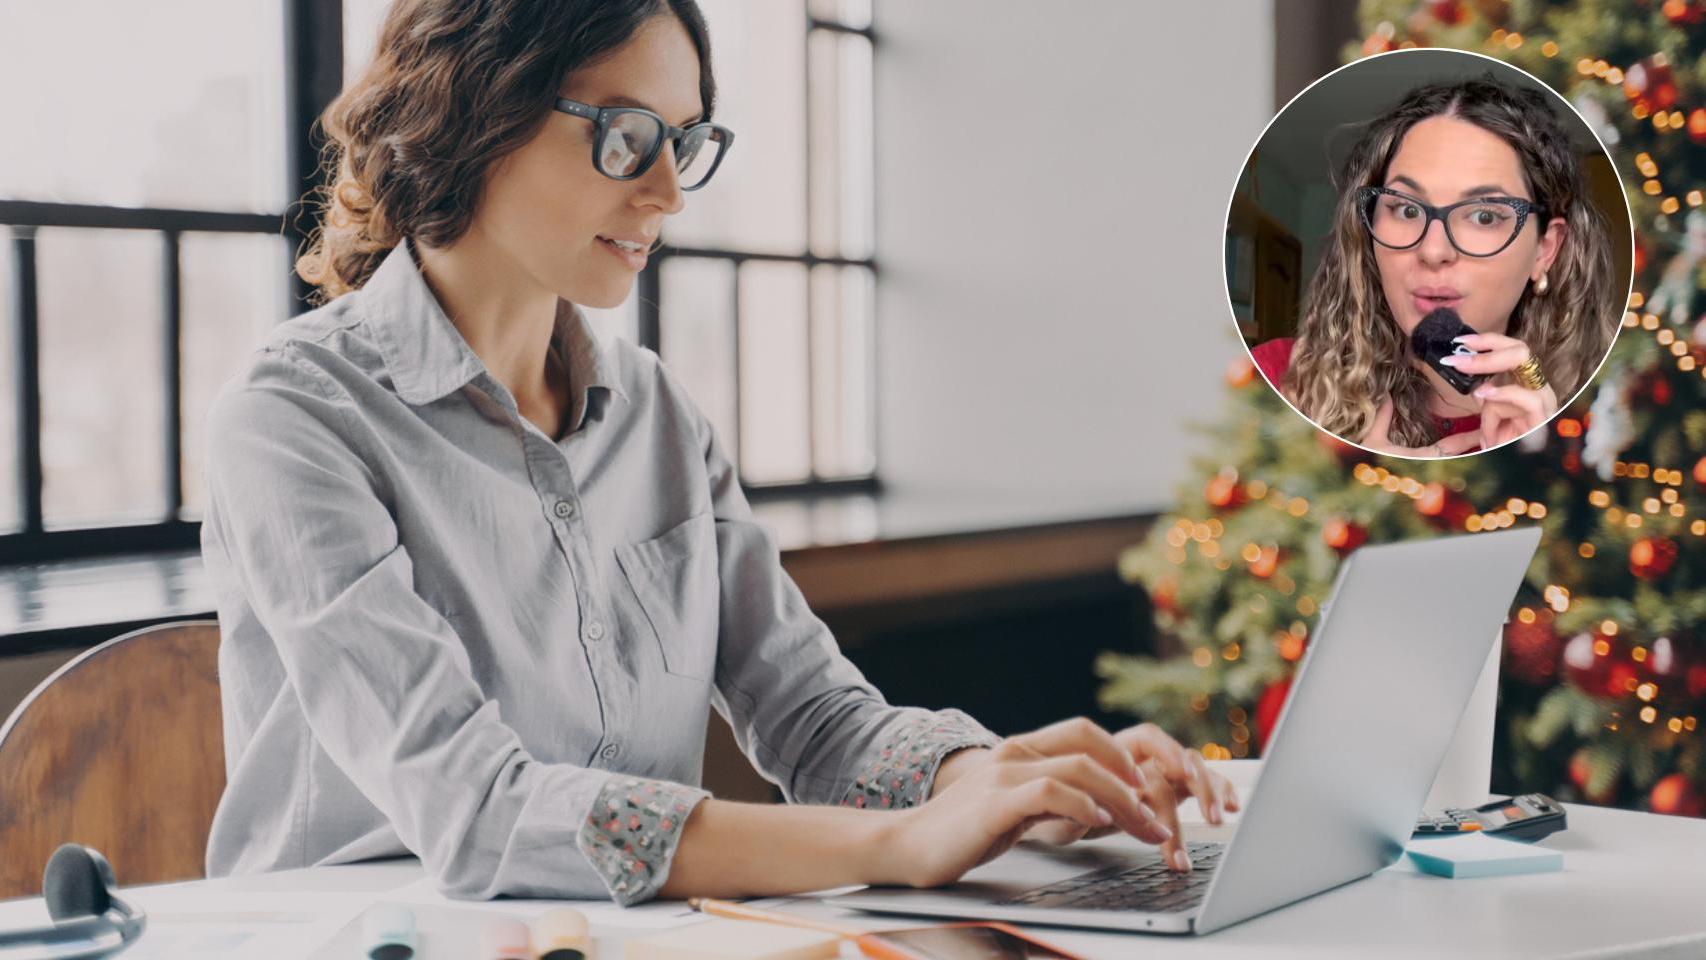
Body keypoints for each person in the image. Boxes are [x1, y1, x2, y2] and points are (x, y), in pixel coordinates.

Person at [199, 0, 1237, 906]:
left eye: (684, 142)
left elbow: (818, 723)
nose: (667, 193)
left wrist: (996, 787)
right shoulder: (295, 419)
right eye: (623, 136)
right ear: (475, 108)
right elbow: (478, 812)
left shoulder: (657, 415)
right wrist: (895, 842)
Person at [1250, 75, 1618, 458]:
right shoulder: (1275, 381)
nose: (1433, 250)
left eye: (1484, 216)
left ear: (1544, 251)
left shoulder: (1611, 417)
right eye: (1406, 209)